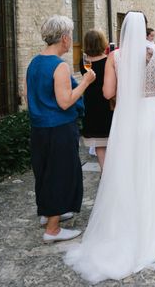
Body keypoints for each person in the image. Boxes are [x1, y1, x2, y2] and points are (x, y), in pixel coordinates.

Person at [65, 12, 155, 282]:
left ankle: (123, 229)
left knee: (125, 170)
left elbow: (108, 93)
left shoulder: (115, 56)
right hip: (150, 116)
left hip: (126, 117)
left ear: (123, 29)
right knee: (150, 171)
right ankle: (151, 231)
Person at [26, 15, 95, 243]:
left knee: (44, 173)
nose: (71, 40)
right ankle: (53, 230)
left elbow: (31, 96)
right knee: (60, 174)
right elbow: (65, 101)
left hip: (39, 129)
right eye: (71, 35)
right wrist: (85, 82)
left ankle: (49, 214)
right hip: (58, 128)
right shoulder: (60, 66)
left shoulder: (34, 62)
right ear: (64, 38)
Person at [79, 29, 112, 171]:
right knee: (111, 139)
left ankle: (104, 172)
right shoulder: (108, 61)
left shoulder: (83, 62)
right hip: (106, 102)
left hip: (91, 103)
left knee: (99, 143)